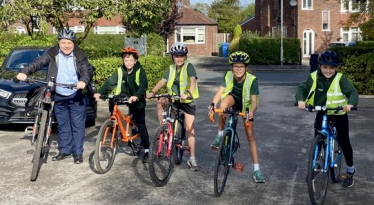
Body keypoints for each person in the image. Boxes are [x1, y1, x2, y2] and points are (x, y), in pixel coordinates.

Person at [16, 29, 94, 164]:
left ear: (73, 43)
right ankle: (65, 150)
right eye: (63, 42)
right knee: (63, 125)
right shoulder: (53, 53)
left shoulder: (79, 55)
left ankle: (78, 153)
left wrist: (83, 81)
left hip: (76, 94)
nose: (66, 45)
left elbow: (86, 70)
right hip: (59, 93)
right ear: (59, 42)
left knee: (77, 125)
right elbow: (37, 63)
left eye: (69, 43)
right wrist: (24, 72)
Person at [295, 50, 359, 187]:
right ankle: (315, 164)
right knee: (318, 137)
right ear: (320, 66)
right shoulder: (313, 77)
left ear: (336, 68)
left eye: (332, 68)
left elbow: (352, 92)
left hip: (339, 113)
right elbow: (303, 88)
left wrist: (350, 104)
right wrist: (300, 100)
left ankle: (350, 169)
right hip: (322, 111)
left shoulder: (340, 78)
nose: (328, 71)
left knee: (344, 141)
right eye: (325, 67)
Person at [209, 51, 265, 183]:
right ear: (231, 67)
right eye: (235, 66)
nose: (238, 69)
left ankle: (257, 170)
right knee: (222, 106)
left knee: (250, 136)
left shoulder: (252, 80)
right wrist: (212, 104)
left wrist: (251, 112)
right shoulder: (228, 75)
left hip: (246, 106)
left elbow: (254, 102)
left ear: (246, 67)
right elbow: (220, 92)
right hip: (233, 99)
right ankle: (220, 134)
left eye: (241, 66)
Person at [146, 42, 199, 171]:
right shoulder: (170, 69)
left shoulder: (189, 67)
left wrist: (188, 93)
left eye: (181, 56)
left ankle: (192, 158)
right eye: (176, 56)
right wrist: (152, 92)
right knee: (160, 101)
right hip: (174, 99)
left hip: (187, 101)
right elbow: (162, 81)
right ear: (173, 57)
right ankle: (163, 128)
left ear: (185, 57)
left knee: (189, 129)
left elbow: (192, 81)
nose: (179, 59)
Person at [93, 47, 150, 163]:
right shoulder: (120, 71)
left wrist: (137, 96)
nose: (128, 63)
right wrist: (100, 92)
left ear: (135, 61)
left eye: (131, 60)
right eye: (126, 60)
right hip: (125, 96)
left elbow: (143, 85)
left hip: (137, 100)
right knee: (112, 102)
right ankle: (113, 127)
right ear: (123, 61)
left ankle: (147, 150)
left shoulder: (140, 70)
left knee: (140, 124)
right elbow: (110, 82)